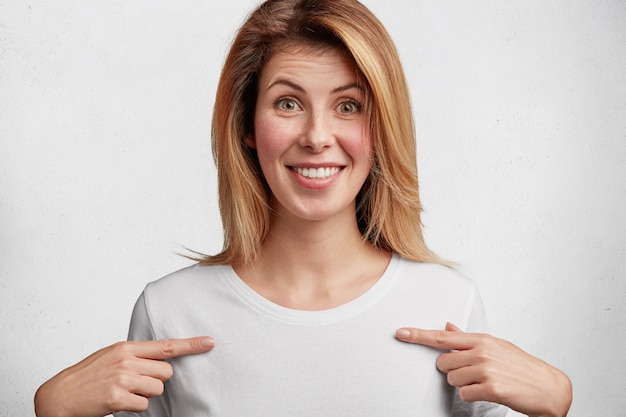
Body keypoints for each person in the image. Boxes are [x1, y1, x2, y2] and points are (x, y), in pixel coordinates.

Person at [34, 0, 573, 416]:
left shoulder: (448, 303)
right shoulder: (170, 312)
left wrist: (556, 405)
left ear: (381, 127)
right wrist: (53, 411)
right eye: (288, 103)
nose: (318, 137)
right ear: (246, 126)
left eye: (348, 106)